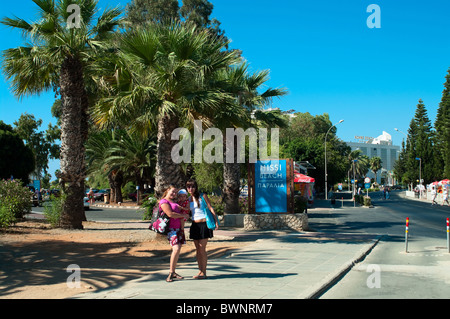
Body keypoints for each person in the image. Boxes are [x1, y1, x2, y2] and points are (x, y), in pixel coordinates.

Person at [186, 179, 219, 279]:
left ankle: (204, 272)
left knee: (202, 248)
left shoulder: (202, 196)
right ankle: (200, 271)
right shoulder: (188, 199)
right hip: (194, 225)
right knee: (197, 249)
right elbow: (187, 212)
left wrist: (216, 221)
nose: (190, 189)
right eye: (188, 187)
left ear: (196, 187)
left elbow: (210, 207)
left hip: (204, 224)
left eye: (192, 186)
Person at [159, 185, 188, 282]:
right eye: (173, 192)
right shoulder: (164, 201)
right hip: (171, 229)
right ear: (167, 190)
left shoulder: (174, 202)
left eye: (176, 192)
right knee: (176, 248)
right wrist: (183, 215)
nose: (174, 194)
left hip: (179, 229)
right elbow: (170, 214)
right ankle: (171, 272)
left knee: (178, 249)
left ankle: (173, 271)